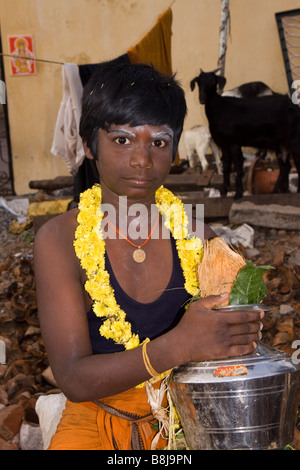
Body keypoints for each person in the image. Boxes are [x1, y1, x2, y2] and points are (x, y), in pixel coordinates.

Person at [34, 61, 264, 450]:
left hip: (185, 418)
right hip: (95, 418)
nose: (142, 159)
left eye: (158, 141)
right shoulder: (59, 240)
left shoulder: (198, 236)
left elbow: (235, 345)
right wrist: (179, 345)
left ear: (174, 148)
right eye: (122, 140)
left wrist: (239, 329)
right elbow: (72, 378)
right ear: (90, 144)